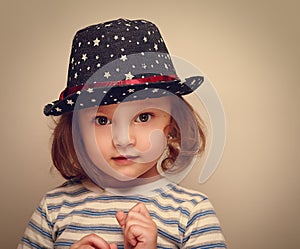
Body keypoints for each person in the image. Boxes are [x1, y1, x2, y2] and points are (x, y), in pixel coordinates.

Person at [18, 18, 227, 249]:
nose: (124, 140)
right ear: (77, 131)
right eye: (102, 120)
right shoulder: (53, 208)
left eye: (143, 117)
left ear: (172, 125)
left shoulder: (191, 213)